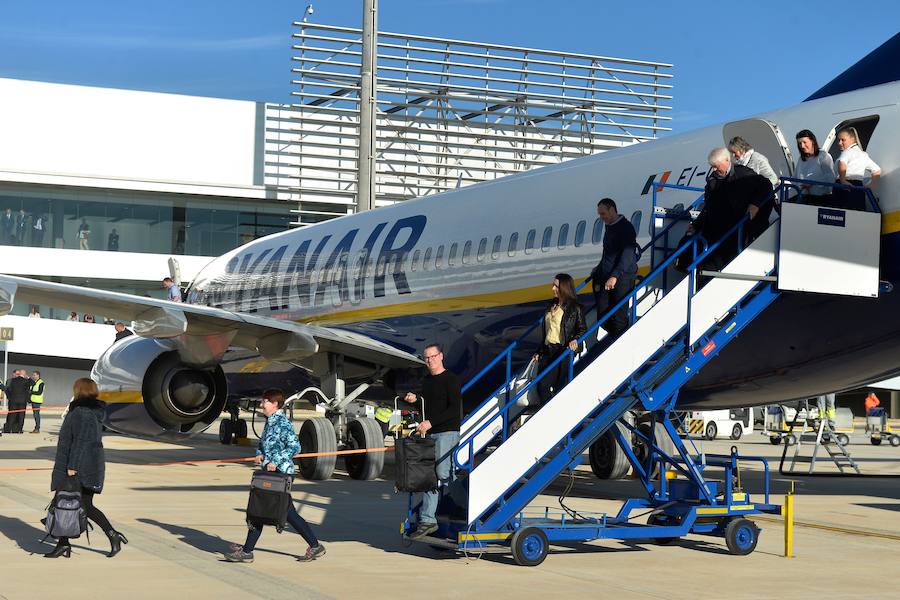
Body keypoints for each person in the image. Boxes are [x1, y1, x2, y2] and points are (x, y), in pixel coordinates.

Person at [225, 388, 325, 563]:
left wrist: (276, 461)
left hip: (281, 473)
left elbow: (295, 447)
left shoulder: (282, 423)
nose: (262, 404)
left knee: (265, 510)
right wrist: (259, 453)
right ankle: (315, 546)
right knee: (271, 511)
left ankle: (248, 552)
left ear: (275, 404)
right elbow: (265, 444)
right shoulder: (270, 421)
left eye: (265, 401)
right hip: (270, 472)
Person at [44, 378, 127, 558]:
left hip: (80, 467)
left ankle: (113, 535)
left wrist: (73, 466)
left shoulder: (83, 412)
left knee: (82, 505)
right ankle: (63, 543)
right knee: (64, 503)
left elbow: (82, 441)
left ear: (79, 390)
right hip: (81, 464)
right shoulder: (85, 411)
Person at [402, 343, 464, 540]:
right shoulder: (427, 381)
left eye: (433, 356)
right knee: (430, 475)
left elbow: (454, 410)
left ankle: (466, 504)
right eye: (426, 357)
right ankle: (428, 520)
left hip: (447, 432)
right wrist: (415, 400)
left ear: (441, 356)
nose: (430, 360)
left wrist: (430, 422)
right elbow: (427, 407)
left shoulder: (451, 379)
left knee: (443, 473)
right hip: (430, 433)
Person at [690, 148, 773, 272]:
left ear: (727, 160)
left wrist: (755, 204)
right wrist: (696, 225)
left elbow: (766, 186)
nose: (714, 170)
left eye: (716, 166)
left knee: (727, 262)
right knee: (707, 266)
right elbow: (708, 207)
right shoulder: (712, 181)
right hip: (717, 231)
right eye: (712, 167)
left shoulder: (744, 174)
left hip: (736, 230)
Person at [533, 274, 586, 405]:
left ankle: (550, 413)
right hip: (547, 350)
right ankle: (549, 411)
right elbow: (548, 331)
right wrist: (539, 351)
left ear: (564, 288)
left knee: (548, 385)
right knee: (540, 386)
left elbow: (582, 328)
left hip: (562, 351)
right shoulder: (551, 305)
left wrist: (575, 339)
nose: (553, 289)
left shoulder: (575, 308)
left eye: (556, 286)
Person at [591, 198, 638, 341]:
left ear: (612, 210)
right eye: (600, 214)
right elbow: (608, 254)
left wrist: (615, 275)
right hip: (607, 277)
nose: (601, 217)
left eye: (603, 213)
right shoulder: (609, 227)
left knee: (619, 317)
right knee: (603, 315)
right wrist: (599, 269)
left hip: (622, 277)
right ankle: (615, 340)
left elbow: (628, 254)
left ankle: (620, 343)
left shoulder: (626, 227)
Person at [834, 126, 881, 211]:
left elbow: (842, 163)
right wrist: (871, 185)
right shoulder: (863, 154)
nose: (839, 143)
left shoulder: (847, 152)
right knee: (857, 214)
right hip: (858, 187)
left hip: (844, 188)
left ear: (852, 139)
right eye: (838, 140)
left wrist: (843, 180)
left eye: (843, 140)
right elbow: (877, 170)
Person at [793, 130, 835, 206]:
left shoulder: (823, 156)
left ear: (812, 141)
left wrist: (812, 183)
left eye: (804, 142)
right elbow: (795, 178)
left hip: (821, 198)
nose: (802, 146)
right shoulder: (801, 159)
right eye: (799, 143)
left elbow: (830, 178)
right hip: (804, 197)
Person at [3, 370, 32, 434]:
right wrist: (28, 378)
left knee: (12, 415)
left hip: (13, 401)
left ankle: (9, 429)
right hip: (22, 401)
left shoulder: (13, 380)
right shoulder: (26, 381)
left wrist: (11, 397)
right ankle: (19, 430)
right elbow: (33, 383)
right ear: (24, 374)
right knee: (21, 415)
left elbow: (8, 390)